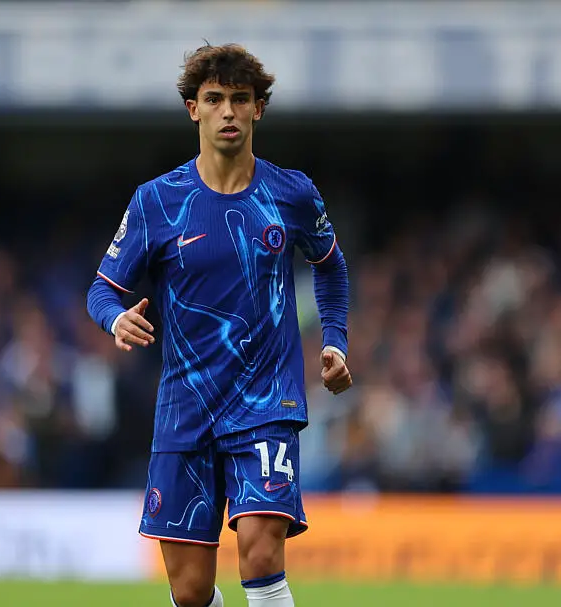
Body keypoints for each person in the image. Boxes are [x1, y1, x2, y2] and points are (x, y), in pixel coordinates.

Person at [87, 43, 351, 607]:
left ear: (259, 109)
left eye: (240, 98)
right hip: (186, 407)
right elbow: (101, 290)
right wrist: (115, 319)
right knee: (189, 591)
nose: (228, 110)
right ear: (193, 110)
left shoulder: (291, 193)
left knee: (260, 553)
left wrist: (335, 340)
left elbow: (330, 265)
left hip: (266, 401)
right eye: (214, 99)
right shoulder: (157, 201)